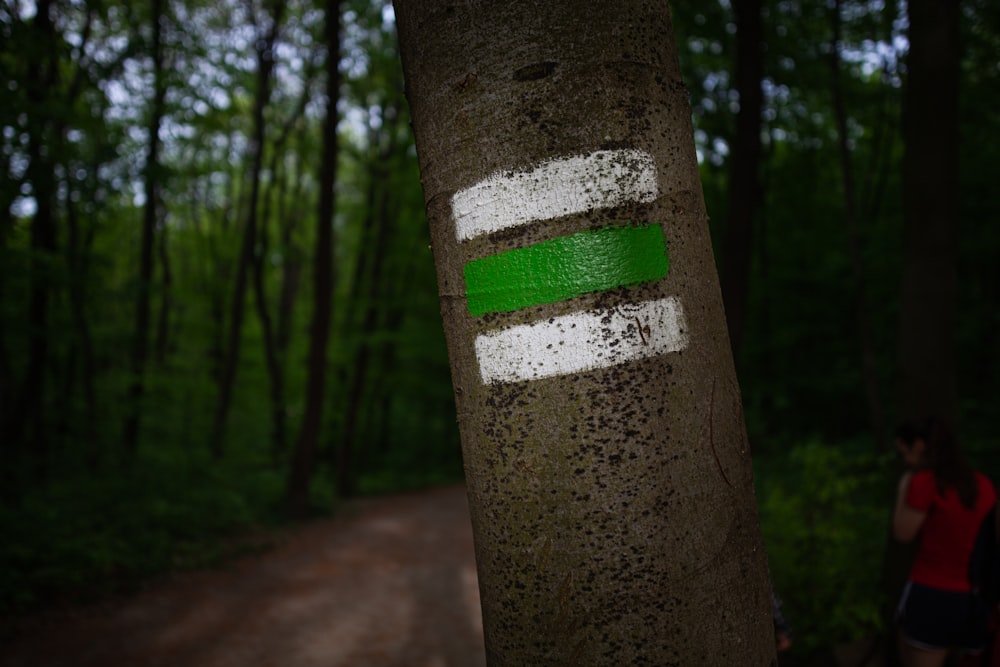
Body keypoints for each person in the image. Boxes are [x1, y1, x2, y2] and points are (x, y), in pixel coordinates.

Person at [894, 417, 997, 667]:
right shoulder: (983, 484)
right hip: (974, 599)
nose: (905, 460)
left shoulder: (924, 482)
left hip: (932, 594)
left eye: (904, 452)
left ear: (918, 446)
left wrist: (904, 485)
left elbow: (902, 533)